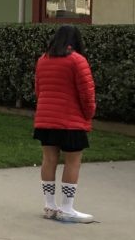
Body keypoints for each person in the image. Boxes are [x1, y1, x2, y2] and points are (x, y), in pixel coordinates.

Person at [33, 24, 96, 223]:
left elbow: (38, 89)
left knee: (48, 160)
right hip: (71, 121)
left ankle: (49, 205)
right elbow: (87, 93)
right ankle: (67, 208)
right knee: (73, 161)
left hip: (45, 119)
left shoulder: (43, 60)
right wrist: (89, 114)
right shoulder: (78, 61)